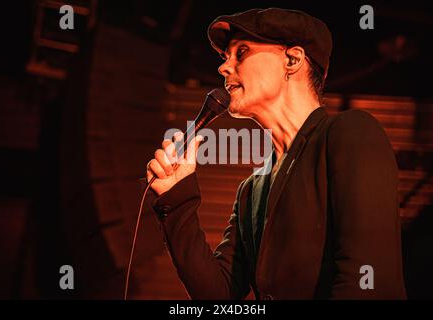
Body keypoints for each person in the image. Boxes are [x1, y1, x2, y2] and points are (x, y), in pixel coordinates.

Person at [145, 8, 406, 299]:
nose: (223, 68)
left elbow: (367, 280)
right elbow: (218, 296)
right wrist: (176, 198)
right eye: (225, 57)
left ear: (292, 60)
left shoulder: (351, 133)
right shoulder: (252, 191)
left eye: (241, 52)